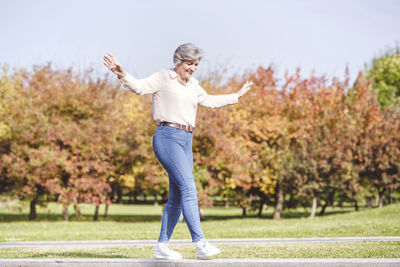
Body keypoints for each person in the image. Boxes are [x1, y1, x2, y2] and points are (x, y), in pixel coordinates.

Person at [103, 43, 252, 260]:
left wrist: (236, 96)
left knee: (178, 195)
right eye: (189, 63)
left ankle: (162, 246)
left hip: (186, 140)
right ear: (179, 61)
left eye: (196, 65)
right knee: (189, 187)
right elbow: (140, 87)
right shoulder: (164, 77)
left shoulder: (193, 86)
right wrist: (122, 73)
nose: (192, 68)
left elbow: (209, 101)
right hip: (167, 136)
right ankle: (200, 243)